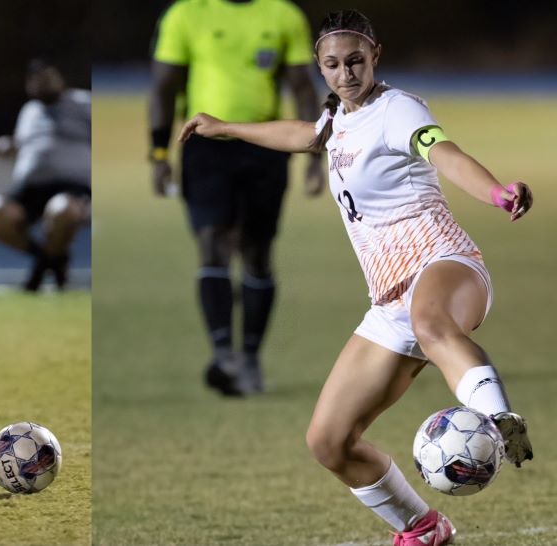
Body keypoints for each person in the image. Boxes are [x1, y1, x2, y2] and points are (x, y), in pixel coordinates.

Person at [180, 10, 534, 545]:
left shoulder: (398, 109)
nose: (346, 73)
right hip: (390, 302)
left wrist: (496, 192)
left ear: (375, 56)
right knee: (329, 441)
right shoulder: (337, 118)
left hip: (444, 263)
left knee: (431, 320)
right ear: (320, 68)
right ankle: (423, 528)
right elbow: (304, 134)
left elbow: (445, 153)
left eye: (355, 61)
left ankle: (498, 417)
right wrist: (224, 127)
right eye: (333, 65)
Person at [149, 0, 327, 396]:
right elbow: (165, 86)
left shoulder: (282, 15)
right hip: (205, 146)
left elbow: (301, 86)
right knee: (212, 243)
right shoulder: (186, 14)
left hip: (266, 145)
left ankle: (250, 356)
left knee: (257, 250)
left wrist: (317, 155)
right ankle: (223, 355)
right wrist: (159, 153)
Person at [0, 59, 90, 292]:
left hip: (71, 186)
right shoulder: (30, 111)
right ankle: (48, 260)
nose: (44, 84)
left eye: (48, 78)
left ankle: (40, 271)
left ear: (60, 78)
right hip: (30, 188)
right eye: (37, 81)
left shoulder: (82, 103)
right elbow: (22, 142)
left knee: (61, 210)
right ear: (30, 86)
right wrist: (9, 146)